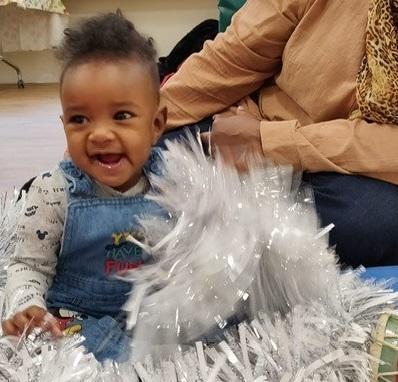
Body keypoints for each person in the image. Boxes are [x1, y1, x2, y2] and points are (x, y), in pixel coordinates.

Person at [159, 0, 398, 268]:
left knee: (379, 222)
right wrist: (145, 121)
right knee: (150, 161)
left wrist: (270, 143)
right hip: (246, 129)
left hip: (357, 177)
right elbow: (233, 58)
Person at [1, 12, 167, 362]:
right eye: (79, 119)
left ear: (156, 124)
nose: (100, 134)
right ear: (63, 124)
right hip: (77, 319)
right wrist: (27, 305)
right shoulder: (52, 191)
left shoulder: (172, 185)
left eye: (121, 115)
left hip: (153, 316)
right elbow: (26, 265)